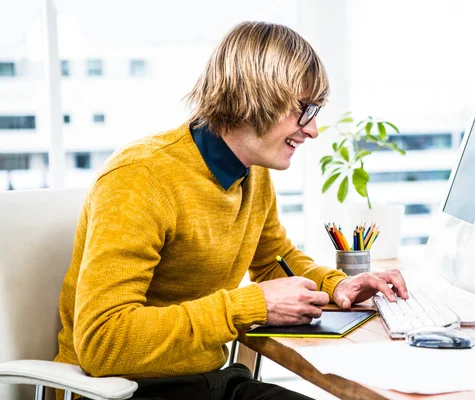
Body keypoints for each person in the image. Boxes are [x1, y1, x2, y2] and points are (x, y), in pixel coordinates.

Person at [54, 21, 408, 400]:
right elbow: (103, 341)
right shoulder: (142, 178)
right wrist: (249, 306)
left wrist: (337, 284)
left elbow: (275, 260)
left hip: (206, 383)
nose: (314, 130)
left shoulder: (251, 173)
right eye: (304, 110)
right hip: (117, 391)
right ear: (256, 96)